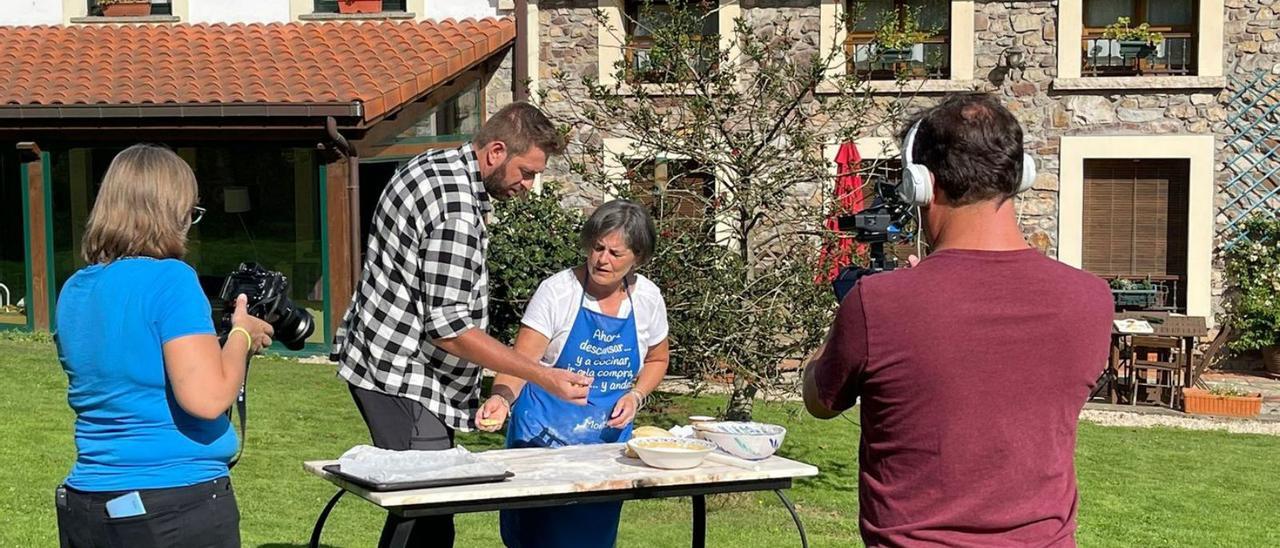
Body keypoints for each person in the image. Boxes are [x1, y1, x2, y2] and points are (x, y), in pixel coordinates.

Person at [802, 93, 1113, 546]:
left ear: (921, 184)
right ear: (1020, 176)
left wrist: (863, 311)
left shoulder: (879, 303)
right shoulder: (1091, 299)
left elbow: (820, 400)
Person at [330, 102, 593, 548]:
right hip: (401, 374)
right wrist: (544, 376)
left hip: (383, 357)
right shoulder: (458, 212)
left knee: (426, 509)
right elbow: (450, 330)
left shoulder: (436, 165)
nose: (528, 187)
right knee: (427, 513)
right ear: (495, 152)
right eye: (526, 172)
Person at [53, 144, 275, 548]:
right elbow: (207, 399)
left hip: (87, 504)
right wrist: (241, 335)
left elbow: (130, 371)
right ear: (173, 213)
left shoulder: (74, 290)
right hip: (171, 506)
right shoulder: (172, 279)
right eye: (190, 212)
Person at [477, 199, 670, 548]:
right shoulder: (557, 292)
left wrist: (636, 395)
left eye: (615, 253)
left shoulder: (648, 299)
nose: (602, 259)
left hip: (604, 451)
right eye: (597, 248)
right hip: (541, 443)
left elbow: (657, 359)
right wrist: (500, 399)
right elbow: (519, 363)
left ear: (637, 258)